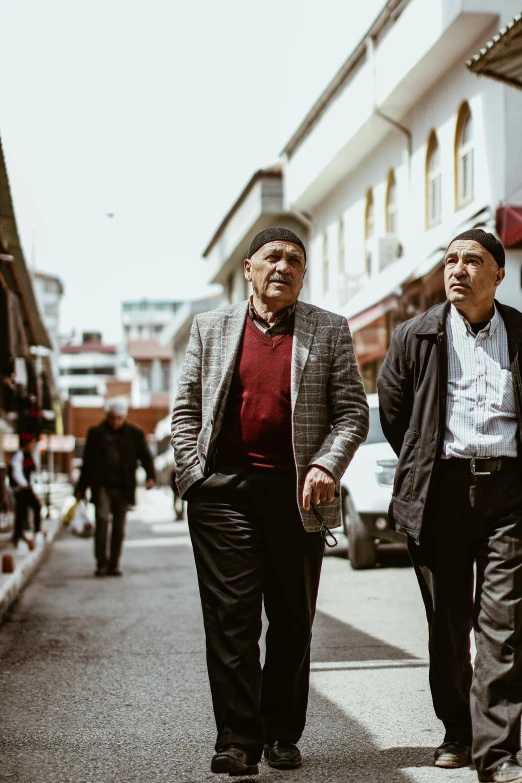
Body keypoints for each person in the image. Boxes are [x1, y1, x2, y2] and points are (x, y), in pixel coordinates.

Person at [172, 226, 369, 776]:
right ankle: (237, 740)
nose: (282, 267)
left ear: (304, 275)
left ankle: (282, 732)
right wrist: (194, 477)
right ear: (249, 269)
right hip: (223, 496)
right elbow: (187, 409)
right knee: (231, 620)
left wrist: (327, 463)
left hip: (297, 496)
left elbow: (353, 412)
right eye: (272, 258)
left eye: (295, 260)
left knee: (291, 620)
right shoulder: (210, 327)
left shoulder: (328, 329)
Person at [378, 229, 522, 783]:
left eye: (473, 260)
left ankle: (500, 754)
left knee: (504, 624)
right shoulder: (416, 335)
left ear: (498, 275)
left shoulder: (519, 333)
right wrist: (423, 466)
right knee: (448, 621)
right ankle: (458, 732)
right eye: (451, 260)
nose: (458, 269)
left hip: (509, 493)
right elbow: (395, 414)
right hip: (440, 495)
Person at [76, 398, 156, 577]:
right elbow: (87, 463)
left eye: (119, 418)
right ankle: (101, 564)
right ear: (108, 416)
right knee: (102, 522)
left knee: (119, 528)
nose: (115, 422)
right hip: (102, 487)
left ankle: (114, 564)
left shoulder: (134, 434)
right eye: (112, 418)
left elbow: (146, 457)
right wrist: (81, 488)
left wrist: (151, 477)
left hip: (124, 488)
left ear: (124, 418)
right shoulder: (96, 433)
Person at [9, 433, 41, 547]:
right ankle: (19, 536)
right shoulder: (19, 455)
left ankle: (23, 534)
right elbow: (16, 472)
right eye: (32, 443)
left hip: (27, 487)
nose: (33, 445)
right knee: (23, 511)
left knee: (27, 510)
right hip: (21, 489)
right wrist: (25, 484)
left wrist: (31, 483)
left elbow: (32, 472)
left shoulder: (30, 455)